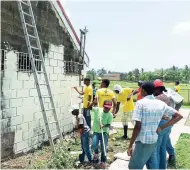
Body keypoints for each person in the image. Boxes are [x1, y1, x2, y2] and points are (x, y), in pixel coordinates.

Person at [127, 82, 183, 169]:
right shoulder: (160, 103)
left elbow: (138, 126)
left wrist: (130, 145)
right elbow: (179, 116)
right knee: (153, 166)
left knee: (134, 167)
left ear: (143, 91)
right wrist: (161, 128)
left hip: (143, 141)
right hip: (154, 140)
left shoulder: (140, 103)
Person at [153, 79, 173, 169]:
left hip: (161, 124)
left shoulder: (157, 98)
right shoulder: (166, 97)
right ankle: (162, 167)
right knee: (163, 148)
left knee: (156, 149)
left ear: (157, 89)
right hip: (168, 124)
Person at [92, 100, 113, 169]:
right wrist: (93, 102)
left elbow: (109, 124)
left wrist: (103, 126)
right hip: (96, 131)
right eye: (106, 107)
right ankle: (96, 153)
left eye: (109, 107)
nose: (107, 109)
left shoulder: (110, 115)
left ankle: (103, 161)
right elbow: (89, 107)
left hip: (104, 132)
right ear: (103, 106)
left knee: (103, 147)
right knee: (94, 145)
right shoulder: (98, 110)